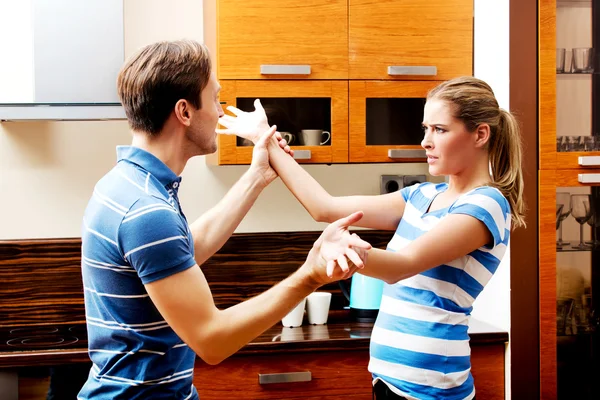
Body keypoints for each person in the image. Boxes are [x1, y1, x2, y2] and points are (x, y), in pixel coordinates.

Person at [77, 39, 371, 400]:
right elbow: (212, 340)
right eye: (215, 99)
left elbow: (183, 250)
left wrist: (257, 176)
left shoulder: (125, 183)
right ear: (184, 112)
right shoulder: (147, 211)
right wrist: (310, 275)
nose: (220, 113)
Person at [217, 76, 526, 400]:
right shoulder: (420, 196)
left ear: (480, 134)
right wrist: (264, 140)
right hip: (388, 382)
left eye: (440, 129)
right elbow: (325, 207)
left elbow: (402, 265)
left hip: (434, 390)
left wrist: (343, 246)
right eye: (425, 129)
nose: (426, 141)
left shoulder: (487, 204)